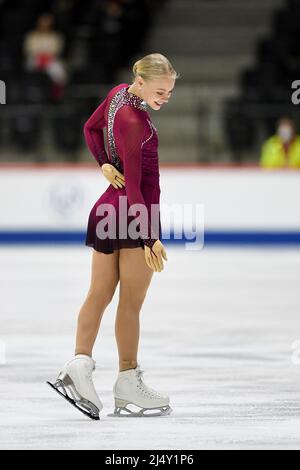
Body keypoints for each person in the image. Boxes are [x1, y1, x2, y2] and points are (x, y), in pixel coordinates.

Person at [47, 53, 180, 419]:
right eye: (160, 90)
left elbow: (91, 130)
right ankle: (127, 381)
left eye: (169, 92)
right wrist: (149, 237)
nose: (165, 97)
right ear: (141, 80)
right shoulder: (135, 119)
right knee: (130, 304)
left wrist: (102, 162)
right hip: (135, 213)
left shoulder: (118, 94)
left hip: (108, 208)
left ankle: (78, 364)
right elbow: (136, 187)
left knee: (99, 294)